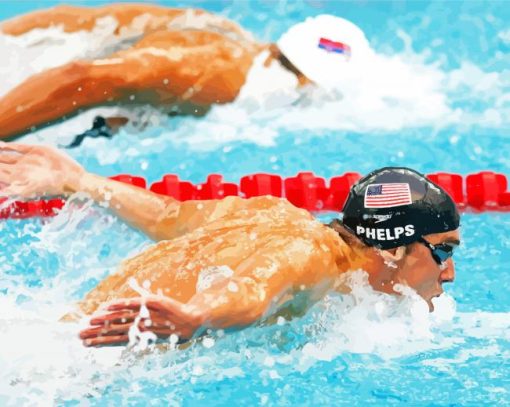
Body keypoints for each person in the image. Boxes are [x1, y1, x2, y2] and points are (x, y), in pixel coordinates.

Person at [0, 142, 460, 347]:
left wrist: (78, 180)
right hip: (76, 367)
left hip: (47, 335)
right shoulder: (312, 256)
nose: (449, 272)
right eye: (444, 250)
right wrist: (198, 316)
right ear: (393, 248)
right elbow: (251, 290)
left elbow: (169, 215)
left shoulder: (273, 213)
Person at [0, 5, 372, 142]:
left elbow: (72, 21)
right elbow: (86, 77)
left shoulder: (225, 33)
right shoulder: (224, 76)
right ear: (307, 83)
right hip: (34, 77)